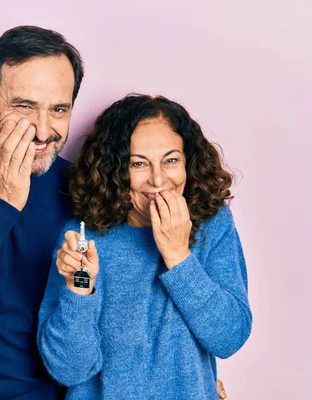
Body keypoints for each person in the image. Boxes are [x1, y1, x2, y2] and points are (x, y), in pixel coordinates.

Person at [0, 25, 230, 399]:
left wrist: (191, 381)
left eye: (58, 110)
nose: (41, 129)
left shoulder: (80, 187)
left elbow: (123, 298)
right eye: (24, 106)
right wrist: (5, 200)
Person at [37, 94, 252, 399]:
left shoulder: (211, 224)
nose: (158, 179)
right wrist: (80, 289)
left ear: (188, 162)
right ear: (114, 170)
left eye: (171, 160)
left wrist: (178, 256)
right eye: (138, 163)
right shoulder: (82, 237)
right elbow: (70, 370)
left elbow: (229, 336)